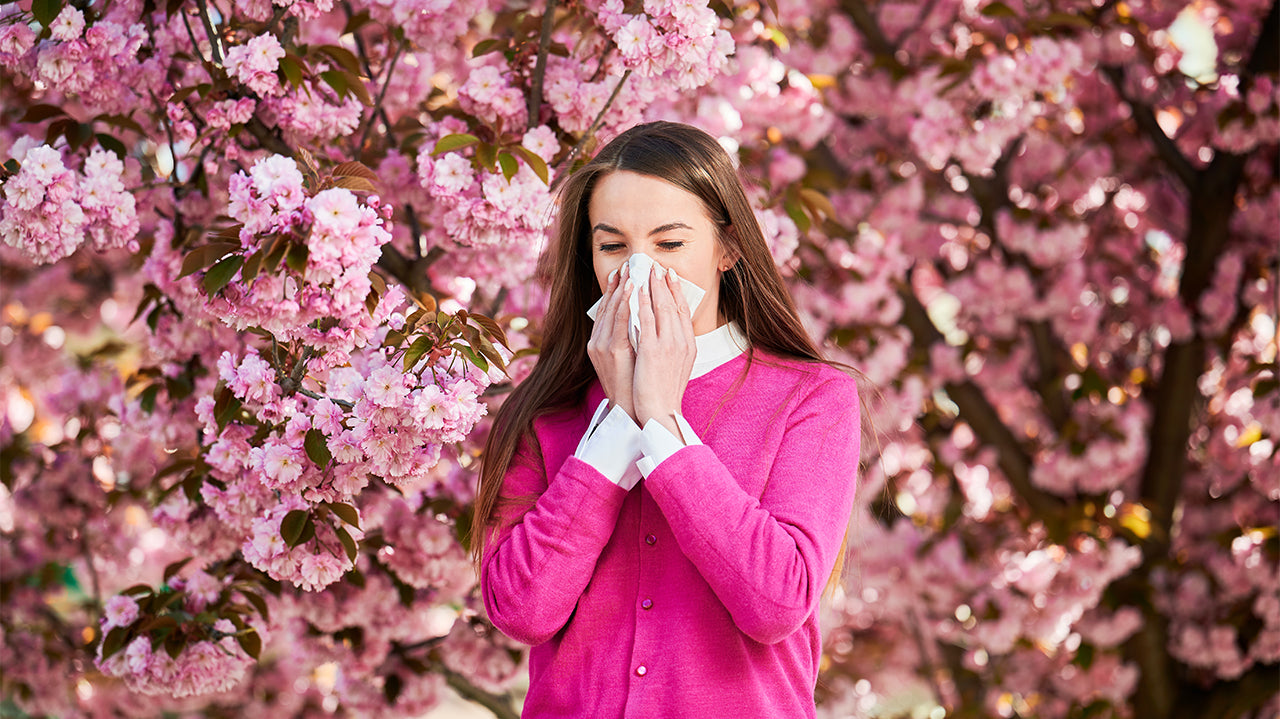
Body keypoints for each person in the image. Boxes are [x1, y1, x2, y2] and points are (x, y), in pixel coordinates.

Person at [471, 121, 860, 718]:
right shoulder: (542, 414)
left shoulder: (812, 397)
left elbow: (778, 603)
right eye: (613, 246)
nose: (639, 271)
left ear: (727, 248)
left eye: (670, 244)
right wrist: (616, 425)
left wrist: (663, 423)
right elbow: (521, 611)